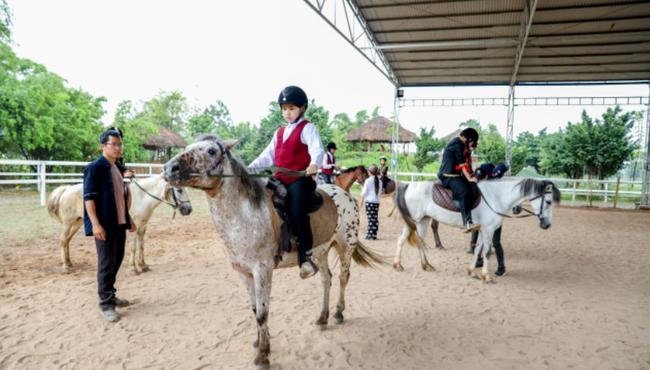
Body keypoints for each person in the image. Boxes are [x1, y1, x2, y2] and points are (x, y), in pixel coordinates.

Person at [249, 86, 324, 279]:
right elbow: (267, 156)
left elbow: (317, 149)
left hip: (300, 179)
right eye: (284, 108)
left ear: (302, 108)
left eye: (291, 108)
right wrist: (250, 168)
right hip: (280, 179)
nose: (287, 113)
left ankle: (307, 257)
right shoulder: (280, 132)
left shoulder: (308, 128)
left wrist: (314, 164)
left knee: (295, 212)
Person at [83, 127, 137, 322]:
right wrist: (95, 224)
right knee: (106, 264)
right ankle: (105, 304)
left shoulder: (117, 168)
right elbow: (89, 198)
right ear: (103, 146)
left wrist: (128, 217)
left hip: (120, 223)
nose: (117, 147)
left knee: (117, 260)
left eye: (119, 144)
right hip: (104, 225)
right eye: (113, 144)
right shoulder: (95, 168)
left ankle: (111, 295)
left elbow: (121, 197)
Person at [468, 163, 508, 277]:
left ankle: (501, 267)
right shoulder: (483, 177)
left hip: (494, 218)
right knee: (478, 236)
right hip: (483, 216)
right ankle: (478, 259)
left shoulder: (495, 184)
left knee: (496, 242)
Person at [437, 128, 480, 232]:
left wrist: (472, 178)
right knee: (464, 192)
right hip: (448, 175)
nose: (473, 144)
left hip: (456, 175)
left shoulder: (463, 146)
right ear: (470, 139)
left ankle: (469, 213)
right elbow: (462, 163)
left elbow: (466, 165)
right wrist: (469, 178)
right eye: (473, 141)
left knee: (473, 189)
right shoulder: (458, 143)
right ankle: (467, 222)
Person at [359, 165, 382, 240]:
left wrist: (361, 201)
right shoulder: (380, 181)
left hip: (369, 201)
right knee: (375, 217)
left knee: (370, 218)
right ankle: (374, 234)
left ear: (370, 172)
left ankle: (370, 235)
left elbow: (364, 192)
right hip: (377, 201)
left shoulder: (368, 181)